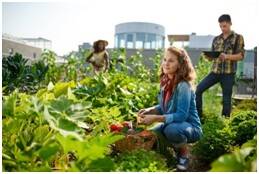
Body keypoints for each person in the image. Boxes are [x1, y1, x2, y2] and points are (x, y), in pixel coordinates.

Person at [137, 47, 202, 171]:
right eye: (165, 59)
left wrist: (155, 118)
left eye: (171, 61)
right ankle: (168, 155)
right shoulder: (166, 83)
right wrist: (149, 110)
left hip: (190, 127)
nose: (166, 63)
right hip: (173, 124)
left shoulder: (183, 86)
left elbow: (181, 116)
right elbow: (163, 107)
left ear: (180, 64)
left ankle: (184, 154)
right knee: (152, 133)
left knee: (171, 130)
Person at [195, 14, 245, 117]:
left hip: (228, 74)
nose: (223, 28)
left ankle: (225, 122)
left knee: (226, 100)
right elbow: (214, 56)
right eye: (221, 26)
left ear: (230, 23)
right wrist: (209, 57)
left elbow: (240, 56)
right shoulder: (216, 39)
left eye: (225, 26)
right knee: (198, 89)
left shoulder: (238, 38)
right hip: (215, 72)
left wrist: (226, 56)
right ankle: (199, 117)